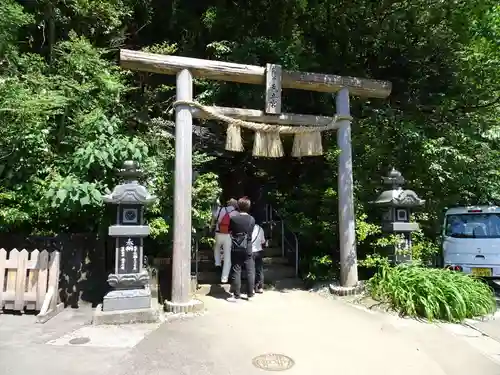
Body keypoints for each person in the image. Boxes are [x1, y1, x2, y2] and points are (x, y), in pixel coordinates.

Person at [228, 196, 256, 301]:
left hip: (236, 246)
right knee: (250, 270)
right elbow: (251, 232)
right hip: (248, 246)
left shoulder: (233, 218)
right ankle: (250, 294)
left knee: (236, 269)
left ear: (238, 206)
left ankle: (237, 295)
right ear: (249, 206)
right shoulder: (252, 219)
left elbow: (229, 230)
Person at [211, 198, 238, 283]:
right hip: (229, 235)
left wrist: (211, 227)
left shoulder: (221, 209)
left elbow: (214, 218)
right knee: (227, 256)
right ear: (235, 205)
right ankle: (224, 278)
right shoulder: (236, 213)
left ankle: (218, 263)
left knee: (217, 248)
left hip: (218, 232)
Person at [251, 222, 267, 294]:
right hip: (259, 251)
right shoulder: (261, 229)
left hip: (250, 251)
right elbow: (263, 241)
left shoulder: (248, 228)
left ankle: (252, 288)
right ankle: (260, 287)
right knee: (259, 270)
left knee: (251, 270)